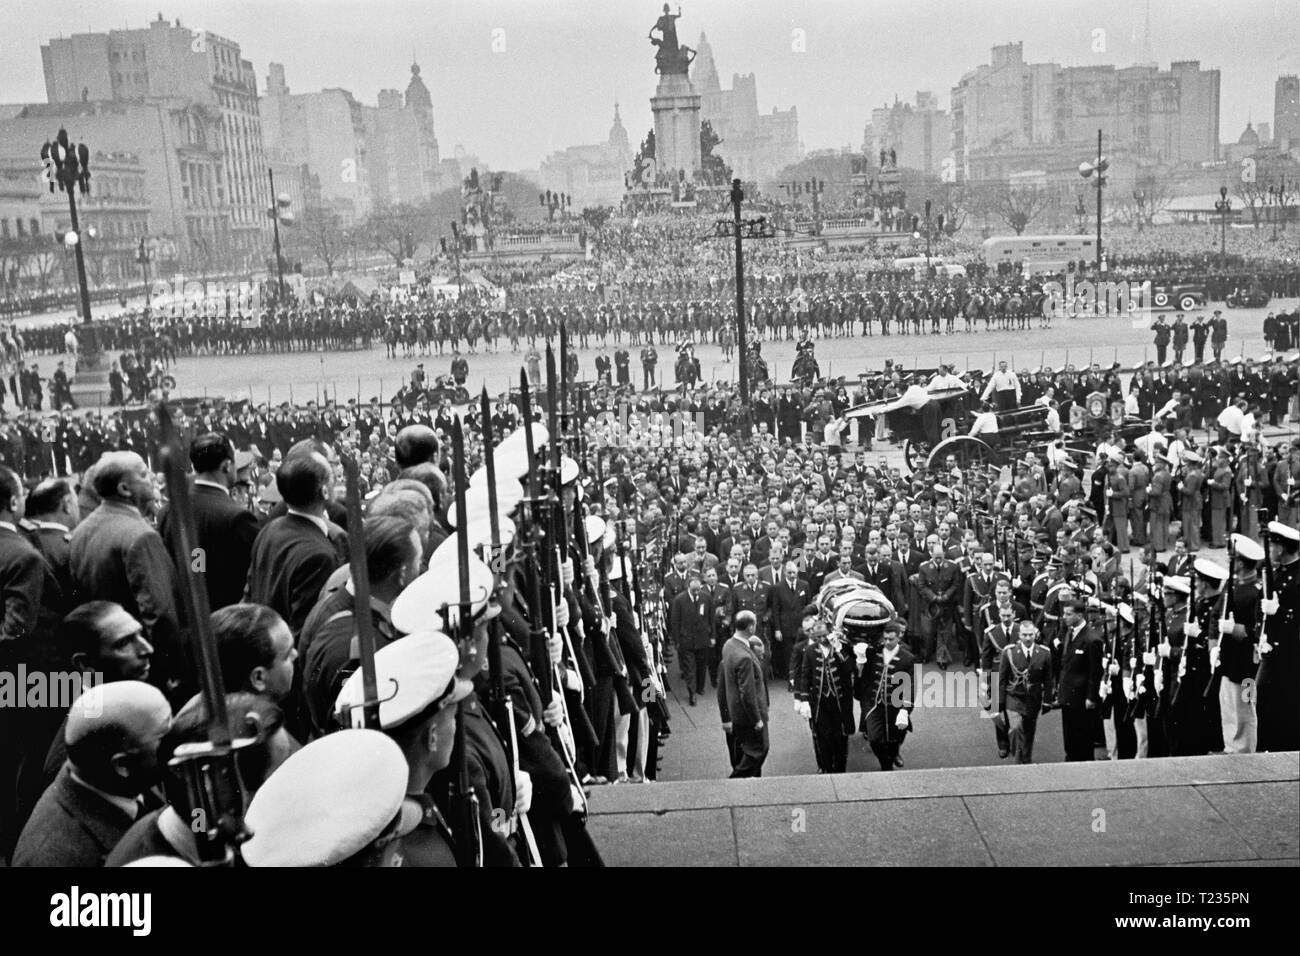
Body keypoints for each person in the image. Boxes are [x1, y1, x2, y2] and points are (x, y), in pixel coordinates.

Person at [333, 630, 473, 867]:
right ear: (433, 737)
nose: (456, 726)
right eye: (451, 717)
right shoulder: (415, 853)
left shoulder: (416, 800)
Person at [12, 681, 172, 867]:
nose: (176, 741)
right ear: (122, 765)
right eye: (164, 737)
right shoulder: (55, 858)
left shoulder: (117, 771)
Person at [69, 452, 186, 699]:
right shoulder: (140, 535)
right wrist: (171, 669)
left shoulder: (81, 531)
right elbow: (160, 612)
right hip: (145, 670)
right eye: (143, 474)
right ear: (124, 488)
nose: (152, 477)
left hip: (108, 665)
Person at [245, 447, 347, 639]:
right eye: (331, 476)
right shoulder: (320, 556)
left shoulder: (270, 529)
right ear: (324, 491)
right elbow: (308, 631)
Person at [160, 433, 260, 612]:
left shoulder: (167, 510)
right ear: (227, 466)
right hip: (224, 620)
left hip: (182, 617)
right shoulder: (237, 516)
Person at [1214, 534, 1263, 754]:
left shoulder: (1256, 592)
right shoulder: (1233, 587)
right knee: (1230, 708)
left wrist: (1238, 630)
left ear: (1241, 562)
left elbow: (1261, 630)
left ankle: (1246, 751)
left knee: (1246, 710)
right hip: (1230, 662)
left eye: (1232, 558)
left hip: (1247, 667)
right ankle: (1232, 748)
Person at [1257, 520, 1300, 753]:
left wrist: (1281, 613)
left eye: (1272, 545)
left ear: (1282, 548)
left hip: (1292, 654)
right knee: (1264, 698)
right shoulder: (1276, 572)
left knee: (1287, 703)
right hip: (1271, 650)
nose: (1270, 550)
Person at [854, 619, 915, 771]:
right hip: (874, 704)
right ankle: (886, 765)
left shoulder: (908, 658)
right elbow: (863, 676)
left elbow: (910, 686)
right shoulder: (874, 652)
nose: (887, 642)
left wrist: (905, 710)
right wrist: (860, 661)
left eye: (891, 639)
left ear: (898, 638)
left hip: (895, 704)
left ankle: (894, 754)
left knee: (895, 739)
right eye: (885, 638)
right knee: (874, 739)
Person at [718, 611, 768, 777]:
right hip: (647, 693)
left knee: (745, 755)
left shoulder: (729, 645)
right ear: (751, 627)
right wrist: (757, 719)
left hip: (736, 714)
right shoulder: (744, 656)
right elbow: (747, 693)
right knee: (758, 749)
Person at [998, 619, 1054, 763]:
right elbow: (1002, 678)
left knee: (1029, 732)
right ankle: (1018, 761)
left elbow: (1048, 680)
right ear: (1019, 635)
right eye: (1024, 635)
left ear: (1035, 635)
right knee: (1016, 728)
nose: (1028, 638)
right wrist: (999, 702)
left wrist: (1047, 701)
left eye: (1030, 635)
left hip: (1033, 699)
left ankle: (1026, 760)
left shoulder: (1044, 653)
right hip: (1014, 697)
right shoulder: (1009, 652)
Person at [1055, 598, 1102, 761]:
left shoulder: (1091, 639)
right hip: (1068, 695)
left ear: (1080, 615)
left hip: (1082, 697)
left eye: (1069, 614)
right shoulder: (1070, 633)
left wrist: (1091, 696)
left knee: (1082, 737)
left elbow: (1095, 672)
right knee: (1069, 736)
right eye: (1064, 613)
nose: (1064, 617)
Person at [668, 571, 713, 706]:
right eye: (694, 590)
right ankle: (692, 693)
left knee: (701, 665)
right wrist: (676, 640)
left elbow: (711, 618)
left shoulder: (706, 598)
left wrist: (713, 636)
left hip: (702, 638)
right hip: (686, 640)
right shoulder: (679, 600)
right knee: (689, 668)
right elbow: (675, 622)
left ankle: (699, 687)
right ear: (688, 587)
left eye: (698, 589)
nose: (696, 593)